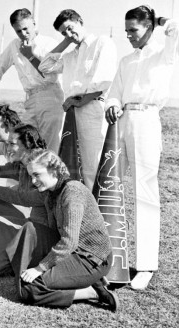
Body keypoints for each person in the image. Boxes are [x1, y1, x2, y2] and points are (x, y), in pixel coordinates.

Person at [0, 149, 118, 311]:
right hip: (73, 251)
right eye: (31, 175)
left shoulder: (72, 193)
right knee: (32, 229)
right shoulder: (50, 192)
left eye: (37, 175)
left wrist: (40, 268)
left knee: (29, 289)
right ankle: (87, 280)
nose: (33, 180)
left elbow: (69, 241)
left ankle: (90, 292)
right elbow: (21, 197)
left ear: (53, 170)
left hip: (92, 258)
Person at [105, 5, 179, 290]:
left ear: (148, 28)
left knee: (145, 192)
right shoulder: (125, 61)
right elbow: (113, 93)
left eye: (133, 30)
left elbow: (175, 27)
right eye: (126, 31)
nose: (128, 36)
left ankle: (145, 265)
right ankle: (109, 256)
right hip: (122, 124)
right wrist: (112, 106)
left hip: (147, 122)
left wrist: (157, 19)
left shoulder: (164, 52)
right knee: (112, 187)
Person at [39, 9, 117, 190]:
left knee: (94, 164)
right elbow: (45, 66)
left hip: (92, 110)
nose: (68, 34)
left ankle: (97, 211)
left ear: (80, 21)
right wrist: (67, 40)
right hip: (73, 112)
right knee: (74, 164)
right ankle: (81, 206)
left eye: (70, 28)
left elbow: (104, 82)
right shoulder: (69, 55)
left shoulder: (102, 42)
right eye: (63, 32)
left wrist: (80, 101)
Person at [0, 8, 64, 153]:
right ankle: (22, 175)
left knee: (50, 148)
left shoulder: (49, 43)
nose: (23, 34)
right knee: (24, 143)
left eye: (26, 29)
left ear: (34, 23)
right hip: (31, 99)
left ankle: (50, 175)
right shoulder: (15, 45)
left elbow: (51, 74)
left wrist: (30, 55)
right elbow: (1, 65)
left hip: (51, 96)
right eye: (18, 31)